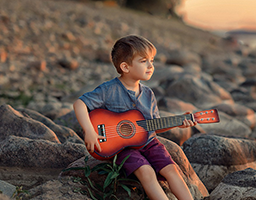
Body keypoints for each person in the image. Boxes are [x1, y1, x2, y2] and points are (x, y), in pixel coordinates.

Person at [73, 35, 195, 200]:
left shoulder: (148, 94)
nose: (151, 66)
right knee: (146, 172)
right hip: (124, 148)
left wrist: (178, 122)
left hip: (150, 143)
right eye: (144, 61)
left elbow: (154, 125)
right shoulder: (109, 89)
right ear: (125, 67)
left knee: (172, 170)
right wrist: (89, 131)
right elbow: (80, 104)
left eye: (152, 60)